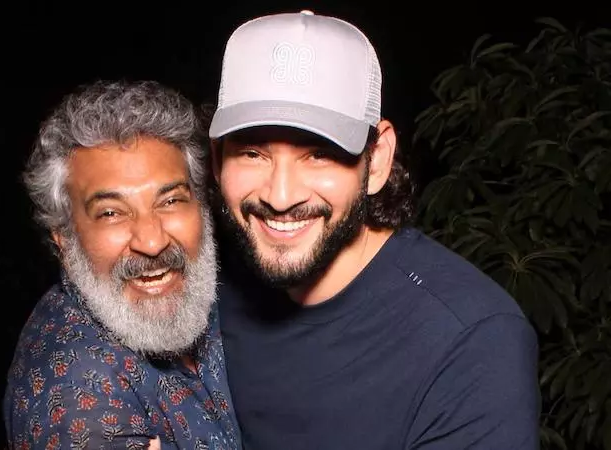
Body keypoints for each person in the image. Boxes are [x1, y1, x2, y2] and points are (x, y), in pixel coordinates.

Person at [207, 10, 540, 449]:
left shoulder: (470, 342)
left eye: (319, 154)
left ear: (377, 160)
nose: (281, 195)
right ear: (217, 159)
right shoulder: (202, 290)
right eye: (252, 153)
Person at [3, 80, 241, 450]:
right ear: (64, 238)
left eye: (170, 201)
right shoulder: (76, 396)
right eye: (111, 213)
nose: (152, 241)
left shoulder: (217, 293)